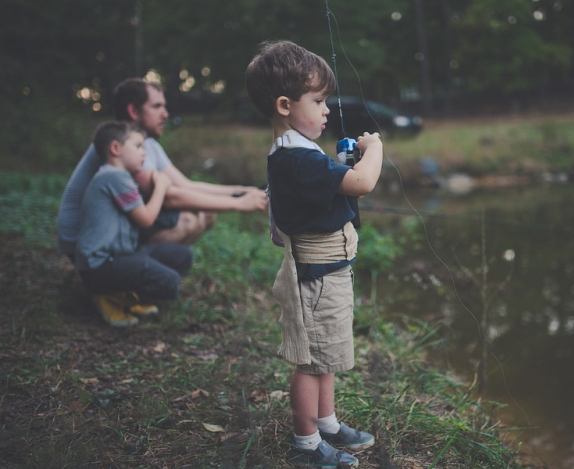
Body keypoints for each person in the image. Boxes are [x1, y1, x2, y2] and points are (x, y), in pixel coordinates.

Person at [245, 40, 383, 468]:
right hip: (318, 276)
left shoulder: (299, 152)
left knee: (326, 356)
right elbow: (361, 183)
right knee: (310, 362)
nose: (327, 109)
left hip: (330, 270)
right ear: (285, 104)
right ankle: (306, 446)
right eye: (319, 100)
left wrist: (343, 162)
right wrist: (374, 149)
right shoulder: (295, 158)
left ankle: (327, 422)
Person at [56, 77, 268, 257]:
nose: (165, 114)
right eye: (157, 107)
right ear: (133, 111)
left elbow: (186, 184)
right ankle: (130, 281)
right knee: (188, 219)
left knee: (206, 213)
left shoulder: (145, 144)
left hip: (112, 230)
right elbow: (171, 196)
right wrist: (241, 205)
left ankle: (148, 275)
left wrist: (242, 191)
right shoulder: (123, 149)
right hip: (84, 242)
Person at [76, 121, 193, 327]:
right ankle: (107, 296)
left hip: (121, 256)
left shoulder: (118, 176)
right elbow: (146, 218)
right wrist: (162, 186)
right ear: (115, 149)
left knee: (182, 256)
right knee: (170, 281)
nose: (144, 153)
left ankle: (123, 294)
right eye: (138, 146)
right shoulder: (114, 176)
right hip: (100, 266)